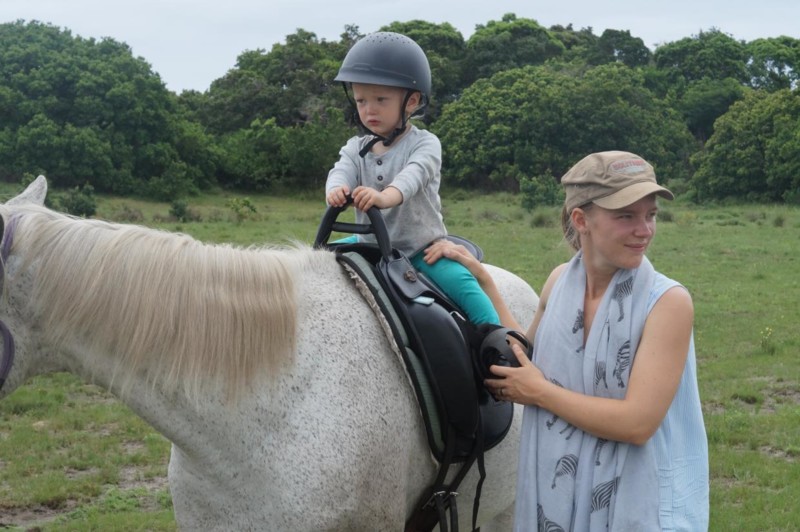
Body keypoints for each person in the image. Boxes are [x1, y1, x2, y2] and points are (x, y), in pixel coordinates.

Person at [423, 151, 710, 530]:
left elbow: (638, 423)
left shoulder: (668, 303)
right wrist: (483, 280)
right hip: (564, 501)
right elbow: (527, 357)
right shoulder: (560, 282)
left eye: (650, 214)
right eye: (626, 216)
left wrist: (539, 393)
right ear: (581, 219)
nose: (645, 230)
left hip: (643, 504)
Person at [325, 32, 499, 325]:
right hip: (368, 240)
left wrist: (383, 197)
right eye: (361, 100)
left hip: (420, 249)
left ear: (411, 100)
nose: (369, 109)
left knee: (468, 291)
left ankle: (500, 342)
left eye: (380, 99)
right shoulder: (356, 147)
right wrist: (336, 189)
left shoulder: (425, 144)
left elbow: (413, 177)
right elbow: (341, 169)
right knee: (312, 258)